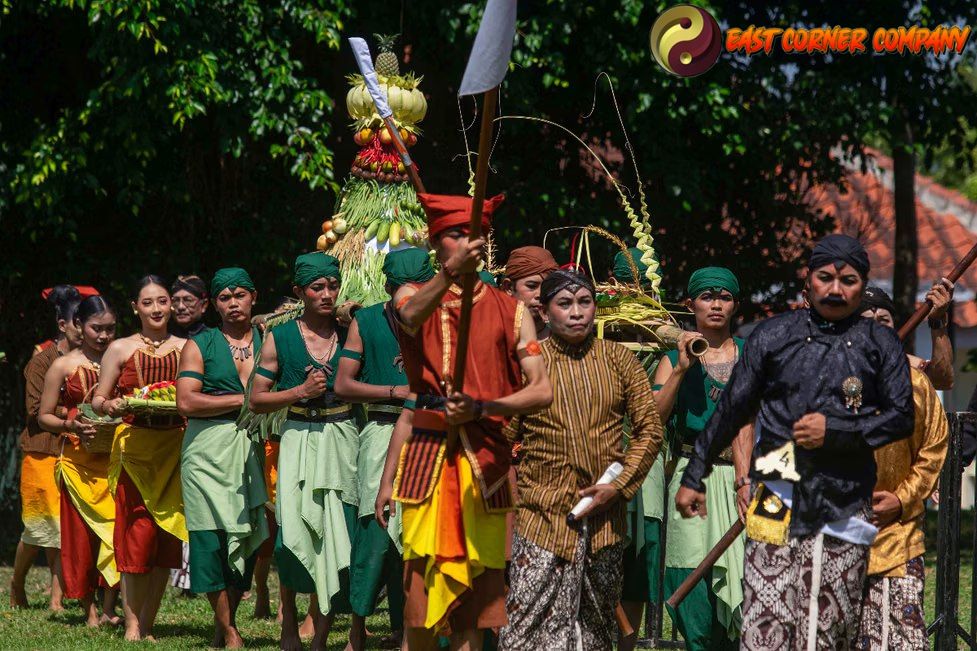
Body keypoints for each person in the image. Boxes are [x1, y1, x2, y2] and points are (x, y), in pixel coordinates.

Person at [676, 234, 915, 649]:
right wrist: (694, 473)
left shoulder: (880, 343)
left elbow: (901, 418)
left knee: (831, 620)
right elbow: (732, 408)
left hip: (847, 492)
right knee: (764, 614)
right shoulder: (773, 336)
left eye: (849, 280)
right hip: (775, 482)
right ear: (809, 281)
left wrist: (837, 433)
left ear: (862, 285)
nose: (836, 289)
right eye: (825, 278)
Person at [375, 192, 552, 651]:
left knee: (477, 596)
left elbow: (540, 390)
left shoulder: (511, 311)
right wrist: (385, 480)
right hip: (428, 458)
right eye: (456, 234)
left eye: (475, 235)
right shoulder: (415, 295)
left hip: (486, 460)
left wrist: (483, 408)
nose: (467, 242)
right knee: (419, 591)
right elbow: (410, 318)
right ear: (437, 243)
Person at [497, 270, 663, 650]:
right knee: (522, 630)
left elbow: (649, 430)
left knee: (596, 631)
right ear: (543, 310)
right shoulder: (527, 365)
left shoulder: (620, 360)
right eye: (565, 304)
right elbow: (500, 439)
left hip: (604, 522)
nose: (576, 313)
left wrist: (617, 487)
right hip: (542, 518)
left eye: (584, 302)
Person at [249, 252, 359, 651]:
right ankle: (289, 625)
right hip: (296, 436)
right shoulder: (280, 337)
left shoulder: (351, 333)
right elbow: (257, 399)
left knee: (332, 533)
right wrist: (299, 392)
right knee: (290, 535)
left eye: (332, 286)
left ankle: (323, 633)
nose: (327, 294)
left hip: (343, 437)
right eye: (317, 288)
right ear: (299, 292)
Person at [335, 249, 434, 649]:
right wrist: (398, 391)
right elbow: (343, 384)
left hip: (431, 431)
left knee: (419, 534)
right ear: (389, 289)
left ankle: (409, 629)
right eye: (402, 291)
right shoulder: (367, 320)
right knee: (375, 532)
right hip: (380, 430)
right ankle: (357, 629)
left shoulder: (442, 318)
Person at [651, 268, 751, 650]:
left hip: (742, 479)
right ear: (690, 305)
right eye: (707, 297)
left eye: (724, 297)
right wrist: (680, 368)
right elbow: (654, 416)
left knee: (743, 580)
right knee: (689, 574)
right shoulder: (672, 357)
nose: (716, 303)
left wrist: (745, 480)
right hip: (693, 479)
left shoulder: (751, 354)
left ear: (734, 305)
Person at [176, 268, 269, 649]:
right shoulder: (200, 344)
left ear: (254, 297)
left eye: (240, 295)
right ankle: (231, 632)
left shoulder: (270, 338)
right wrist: (245, 400)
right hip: (205, 452)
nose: (234, 304)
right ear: (214, 304)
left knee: (246, 534)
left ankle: (221, 626)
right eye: (225, 298)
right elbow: (186, 401)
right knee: (209, 538)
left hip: (251, 449)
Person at [94, 275, 188, 642]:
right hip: (134, 449)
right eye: (148, 302)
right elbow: (99, 400)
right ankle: (132, 624)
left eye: (163, 301)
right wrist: (113, 404)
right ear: (136, 307)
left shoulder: (187, 347)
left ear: (172, 305)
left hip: (175, 447)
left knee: (167, 538)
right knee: (136, 536)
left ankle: (148, 623)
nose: (157, 309)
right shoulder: (120, 348)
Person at [857, 287, 949, 650]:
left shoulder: (915, 380)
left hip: (899, 530)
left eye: (884, 320)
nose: (876, 327)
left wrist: (901, 499)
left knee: (904, 636)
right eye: (865, 321)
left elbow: (934, 446)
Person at [37, 295, 121, 627]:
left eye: (110, 329)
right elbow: (44, 416)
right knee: (82, 540)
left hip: (117, 460)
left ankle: (110, 607)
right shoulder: (62, 365)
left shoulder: (124, 359)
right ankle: (89, 611)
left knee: (116, 535)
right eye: (96, 328)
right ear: (78, 326)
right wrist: (71, 425)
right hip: (77, 465)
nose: (103, 336)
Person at [11, 284, 81, 610]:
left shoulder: (92, 358)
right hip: (42, 449)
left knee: (62, 525)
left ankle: (57, 596)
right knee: (40, 526)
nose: (86, 329)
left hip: (76, 450)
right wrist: (77, 413)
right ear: (62, 324)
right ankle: (16, 581)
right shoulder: (43, 357)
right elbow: (34, 409)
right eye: (78, 322)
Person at [500, 245, 559, 340]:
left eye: (548, 286)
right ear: (509, 288)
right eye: (532, 286)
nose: (540, 294)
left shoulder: (564, 341)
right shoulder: (493, 338)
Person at [170, 274, 209, 339]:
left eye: (188, 300)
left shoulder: (213, 339)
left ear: (204, 305)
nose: (180, 307)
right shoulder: (162, 338)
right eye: (176, 300)